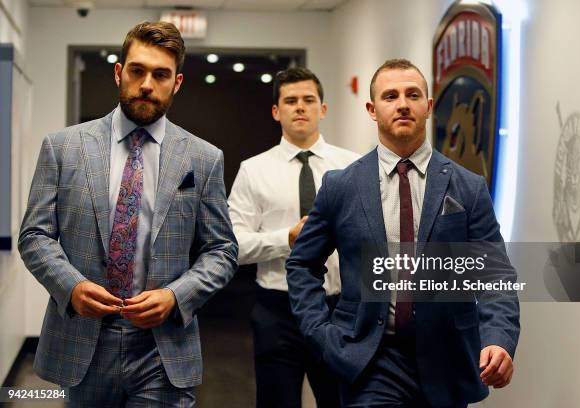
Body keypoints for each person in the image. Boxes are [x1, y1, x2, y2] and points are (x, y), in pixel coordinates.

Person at [18, 21, 238, 407]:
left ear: (178, 82)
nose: (147, 84)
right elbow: (35, 236)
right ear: (119, 72)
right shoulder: (64, 148)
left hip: (163, 347)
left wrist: (175, 295)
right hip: (84, 341)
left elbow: (221, 251)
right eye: (137, 70)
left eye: (161, 74)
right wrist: (71, 286)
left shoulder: (203, 158)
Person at [286, 59, 520, 408]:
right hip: (369, 360)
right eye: (390, 96)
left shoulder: (468, 187)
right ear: (372, 109)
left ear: (428, 106)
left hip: (447, 360)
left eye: (413, 94)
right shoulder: (341, 187)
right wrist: (322, 333)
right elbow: (303, 265)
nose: (402, 104)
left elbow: (494, 274)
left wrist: (498, 339)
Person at [228, 67, 359, 408]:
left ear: (323, 109)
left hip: (338, 309)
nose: (300, 107)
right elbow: (231, 246)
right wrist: (285, 238)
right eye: (290, 101)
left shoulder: (353, 167)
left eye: (308, 100)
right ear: (276, 111)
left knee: (342, 401)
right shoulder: (253, 170)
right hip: (277, 312)